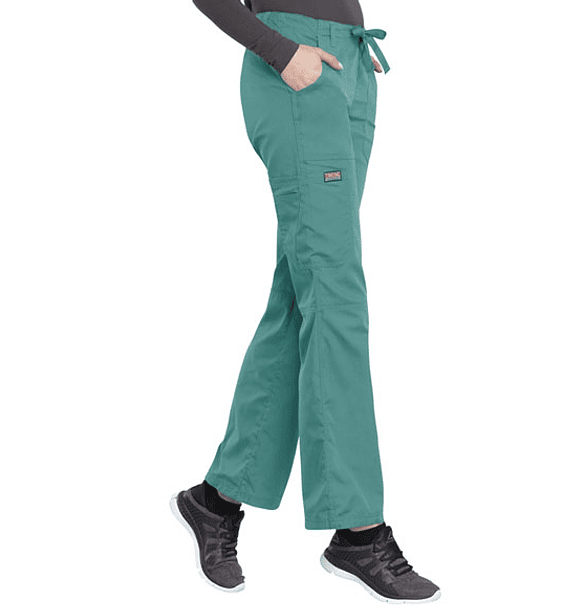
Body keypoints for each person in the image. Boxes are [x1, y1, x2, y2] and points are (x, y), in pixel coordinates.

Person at [170, 1, 441, 603]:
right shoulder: (285, 54)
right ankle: (358, 530)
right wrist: (279, 49)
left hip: (352, 62)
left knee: (307, 287)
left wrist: (345, 48)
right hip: (293, 59)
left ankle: (217, 499)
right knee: (336, 292)